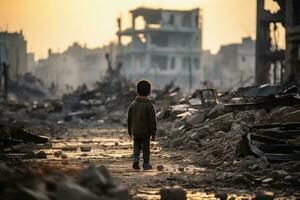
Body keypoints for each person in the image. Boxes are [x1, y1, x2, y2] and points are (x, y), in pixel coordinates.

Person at [127, 80, 157, 170]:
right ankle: (146, 163)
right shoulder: (150, 106)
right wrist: (153, 133)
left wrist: (130, 131)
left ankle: (136, 160)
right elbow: (153, 121)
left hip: (135, 131)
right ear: (149, 92)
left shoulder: (132, 105)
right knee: (146, 148)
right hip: (145, 132)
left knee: (136, 146)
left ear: (137, 92)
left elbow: (129, 120)